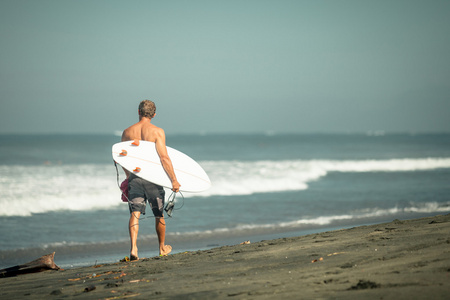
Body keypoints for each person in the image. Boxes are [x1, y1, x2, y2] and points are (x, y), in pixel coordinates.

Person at [121, 100, 181, 260]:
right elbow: (164, 157)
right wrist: (174, 180)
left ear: (138, 111)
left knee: (135, 213)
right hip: (153, 178)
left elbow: (122, 158)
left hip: (135, 178)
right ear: (154, 114)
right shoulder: (157, 132)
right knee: (159, 214)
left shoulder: (127, 132)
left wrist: (128, 177)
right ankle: (162, 247)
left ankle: (134, 248)